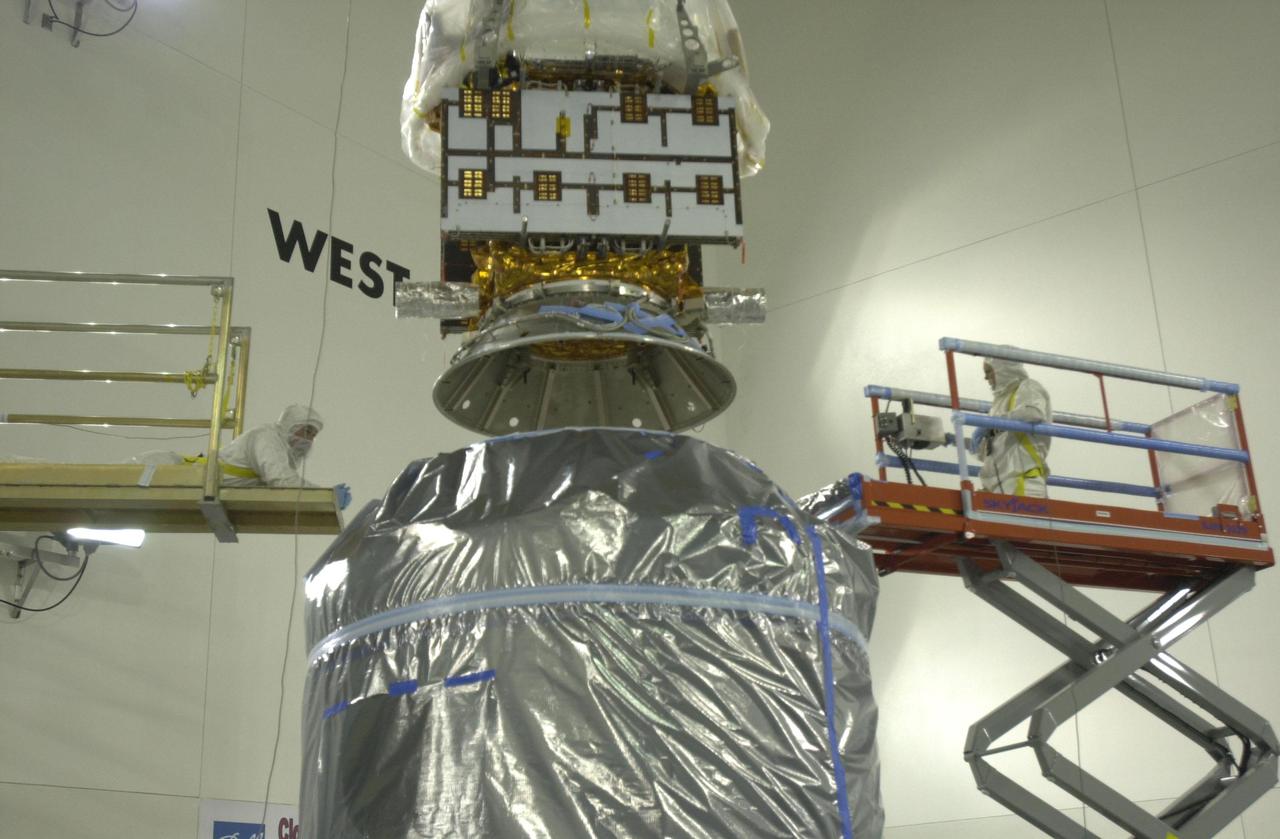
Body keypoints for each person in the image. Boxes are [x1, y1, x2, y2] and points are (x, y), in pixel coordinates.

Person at [212, 404, 351, 508]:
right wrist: (327, 496)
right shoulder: (266, 438)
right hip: (208, 480)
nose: (309, 440)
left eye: (313, 436)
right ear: (291, 426)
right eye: (307, 431)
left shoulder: (283, 450)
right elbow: (283, 482)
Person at [969, 357, 1051, 497]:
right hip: (997, 486)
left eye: (989, 371)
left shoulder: (1028, 387)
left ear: (1003, 370)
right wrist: (956, 441)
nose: (985, 377)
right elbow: (995, 448)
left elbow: (1032, 413)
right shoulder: (998, 405)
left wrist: (991, 423)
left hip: (1022, 481)